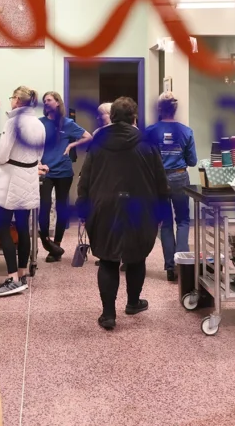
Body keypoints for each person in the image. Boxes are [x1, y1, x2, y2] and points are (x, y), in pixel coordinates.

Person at [77, 97, 169, 330]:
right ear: (134, 118)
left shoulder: (98, 143)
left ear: (112, 117)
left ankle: (108, 314)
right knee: (136, 257)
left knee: (108, 259)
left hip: (103, 207)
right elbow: (160, 181)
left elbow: (85, 179)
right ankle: (133, 302)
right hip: (140, 207)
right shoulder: (147, 143)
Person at [0, 86, 46, 297]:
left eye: (12, 97)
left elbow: (1, 155)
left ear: (18, 101)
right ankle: (22, 273)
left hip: (11, 179)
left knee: (2, 227)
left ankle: (12, 277)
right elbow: (40, 154)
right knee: (22, 229)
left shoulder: (13, 122)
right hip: (29, 178)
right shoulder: (39, 123)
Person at [144, 91, 197, 281]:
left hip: (158, 180)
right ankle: (183, 264)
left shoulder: (150, 131)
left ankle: (169, 267)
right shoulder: (186, 131)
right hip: (180, 178)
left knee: (165, 223)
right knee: (182, 220)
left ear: (159, 108)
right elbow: (192, 161)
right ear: (175, 109)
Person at [38, 91, 92, 262]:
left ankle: (57, 246)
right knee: (44, 207)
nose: (46, 102)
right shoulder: (40, 123)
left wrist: (71, 145)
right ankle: (47, 241)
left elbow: (88, 137)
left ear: (57, 103)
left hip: (63, 171)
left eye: (49, 100)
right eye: (44, 100)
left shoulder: (67, 123)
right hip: (45, 171)